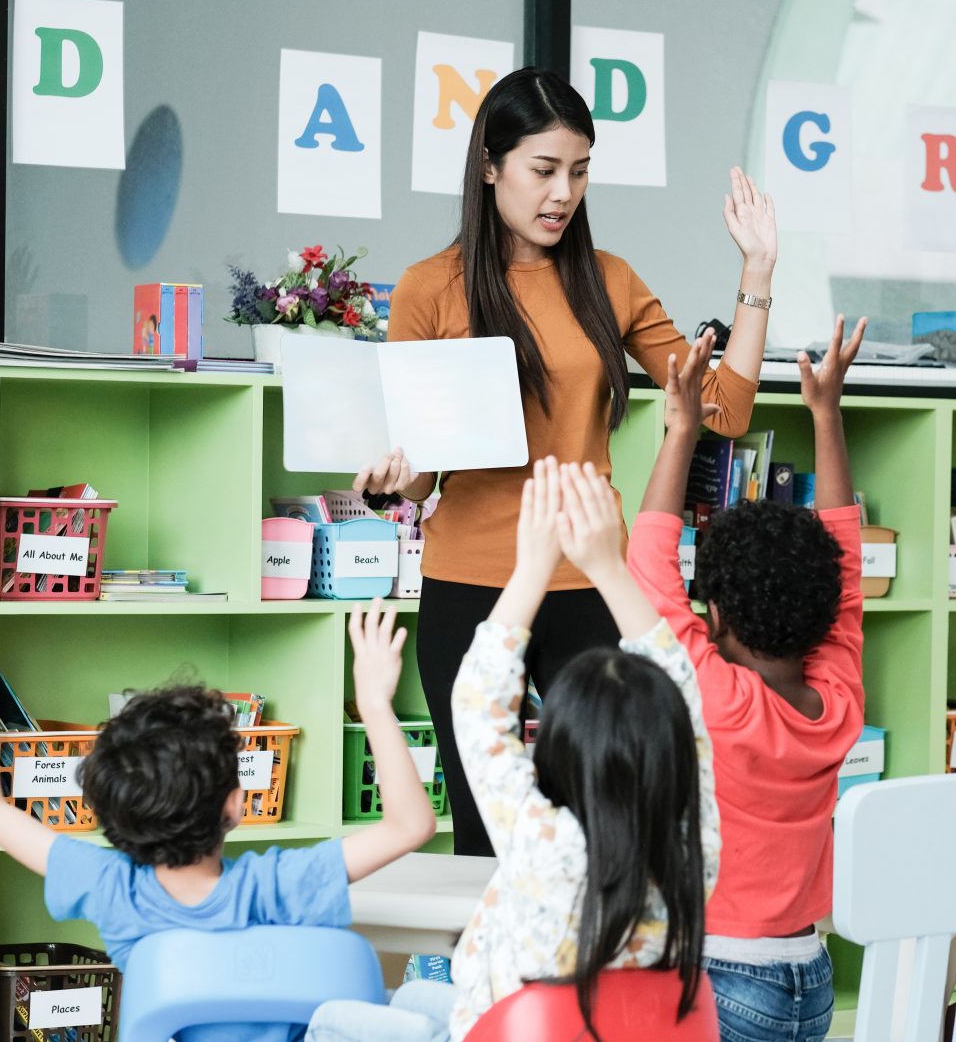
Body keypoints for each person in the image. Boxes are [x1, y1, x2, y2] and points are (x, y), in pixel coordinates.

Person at [354, 66, 775, 856]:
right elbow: (418, 476)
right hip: (471, 581)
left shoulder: (608, 280)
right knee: (486, 827)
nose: (563, 193)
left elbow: (726, 408)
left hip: (589, 577)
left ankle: (600, 978)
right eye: (544, 170)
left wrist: (757, 274)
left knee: (616, 815)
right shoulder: (428, 289)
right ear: (490, 164)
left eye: (579, 171)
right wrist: (389, 480)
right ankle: (503, 985)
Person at [306, 458, 719, 1042]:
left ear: (556, 749)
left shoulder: (543, 846)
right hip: (625, 1026)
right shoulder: (692, 849)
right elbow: (684, 694)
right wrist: (607, 567)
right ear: (673, 748)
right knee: (420, 996)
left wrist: (530, 568)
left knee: (332, 1018)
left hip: (516, 1029)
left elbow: (475, 702)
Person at [0, 590, 435, 1042]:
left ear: (110, 814)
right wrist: (372, 703)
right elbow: (410, 826)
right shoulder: (281, 885)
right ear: (235, 805)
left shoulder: (111, 891)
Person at [623, 317, 867, 1042]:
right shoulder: (838, 700)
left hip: (722, 979)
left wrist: (680, 429)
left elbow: (648, 569)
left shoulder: (718, 702)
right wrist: (827, 410)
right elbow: (848, 566)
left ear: (719, 610)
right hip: (809, 977)